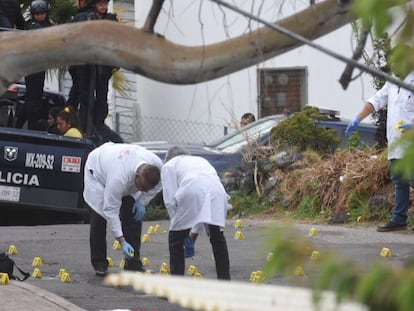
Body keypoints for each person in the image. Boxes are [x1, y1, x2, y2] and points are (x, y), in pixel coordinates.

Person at [345, 64, 414, 232]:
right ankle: (399, 219)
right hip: (396, 141)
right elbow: (376, 101)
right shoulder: (392, 81)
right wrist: (357, 118)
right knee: (400, 181)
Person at [83, 142, 162, 276]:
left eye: (147, 188)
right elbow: (111, 212)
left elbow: (159, 185)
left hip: (119, 163)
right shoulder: (118, 179)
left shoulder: (157, 166)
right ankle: (99, 263)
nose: (145, 190)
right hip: (97, 172)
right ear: (136, 176)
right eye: (143, 188)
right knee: (100, 216)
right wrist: (122, 241)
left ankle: (133, 262)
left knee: (133, 216)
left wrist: (142, 202)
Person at [161, 146, 232, 280]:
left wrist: (178, 227)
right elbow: (202, 211)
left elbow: (170, 200)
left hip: (192, 188)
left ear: (169, 158)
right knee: (217, 237)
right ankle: (225, 281)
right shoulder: (200, 160)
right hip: (217, 192)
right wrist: (191, 235)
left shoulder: (168, 165)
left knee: (175, 238)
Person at [72, 0, 119, 142]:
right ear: (94, 5)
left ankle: (99, 127)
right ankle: (87, 129)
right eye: (100, 4)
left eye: (105, 4)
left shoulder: (111, 20)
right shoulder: (82, 18)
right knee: (86, 100)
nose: (103, 7)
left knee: (102, 101)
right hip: (84, 66)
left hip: (103, 68)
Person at [24, 0, 53, 131]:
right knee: (32, 99)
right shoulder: (31, 25)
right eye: (37, 14)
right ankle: (31, 127)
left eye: (42, 13)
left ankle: (32, 125)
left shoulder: (48, 25)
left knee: (36, 97)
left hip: (41, 65)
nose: (40, 16)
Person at [66, 0, 93, 109]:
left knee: (77, 93)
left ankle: (68, 117)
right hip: (88, 62)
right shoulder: (94, 17)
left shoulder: (79, 17)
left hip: (78, 62)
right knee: (83, 94)